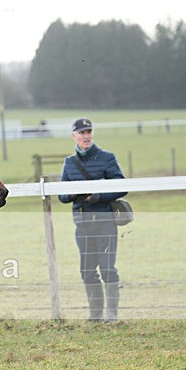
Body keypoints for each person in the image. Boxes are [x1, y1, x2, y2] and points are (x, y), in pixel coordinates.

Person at [58, 118, 128, 322]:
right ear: (74, 136)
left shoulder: (107, 158)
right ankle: (95, 314)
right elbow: (62, 196)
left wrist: (98, 196)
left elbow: (121, 186)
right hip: (82, 223)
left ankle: (112, 314)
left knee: (107, 268)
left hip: (105, 220)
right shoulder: (70, 163)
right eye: (81, 132)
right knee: (87, 270)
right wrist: (74, 194)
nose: (86, 135)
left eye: (88, 131)